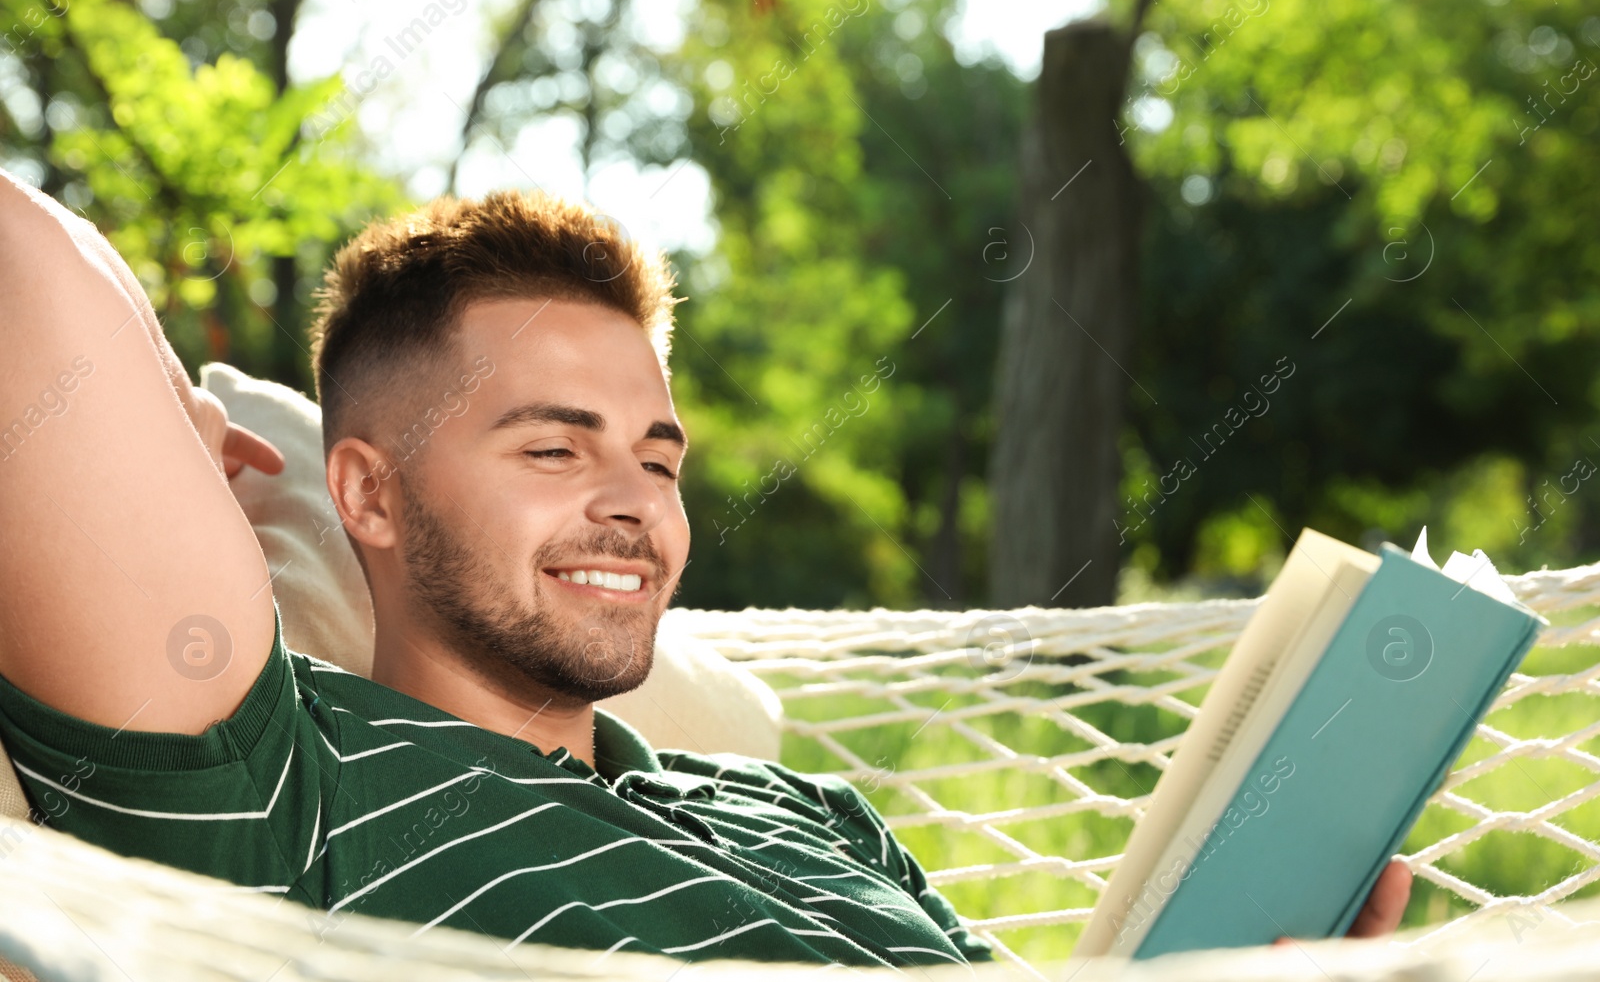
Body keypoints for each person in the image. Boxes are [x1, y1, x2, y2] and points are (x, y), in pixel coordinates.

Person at [0, 171, 1409, 966]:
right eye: (554, 453)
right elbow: (20, 260)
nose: (634, 508)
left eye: (659, 459)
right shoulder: (288, 788)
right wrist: (175, 426)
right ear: (359, 491)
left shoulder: (814, 814)